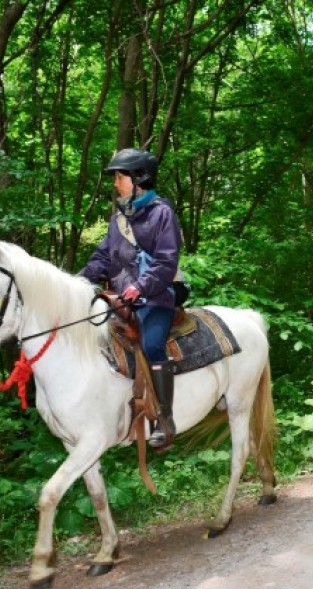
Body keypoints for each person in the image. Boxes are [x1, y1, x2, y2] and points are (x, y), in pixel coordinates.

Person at [80, 148, 182, 449]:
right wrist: (80, 280)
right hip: (121, 302)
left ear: (140, 179)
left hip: (157, 297)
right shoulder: (117, 220)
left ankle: (166, 420)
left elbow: (167, 261)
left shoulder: (162, 214)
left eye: (120, 176)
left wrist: (141, 286)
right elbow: (102, 257)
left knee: (152, 345)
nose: (116, 183)